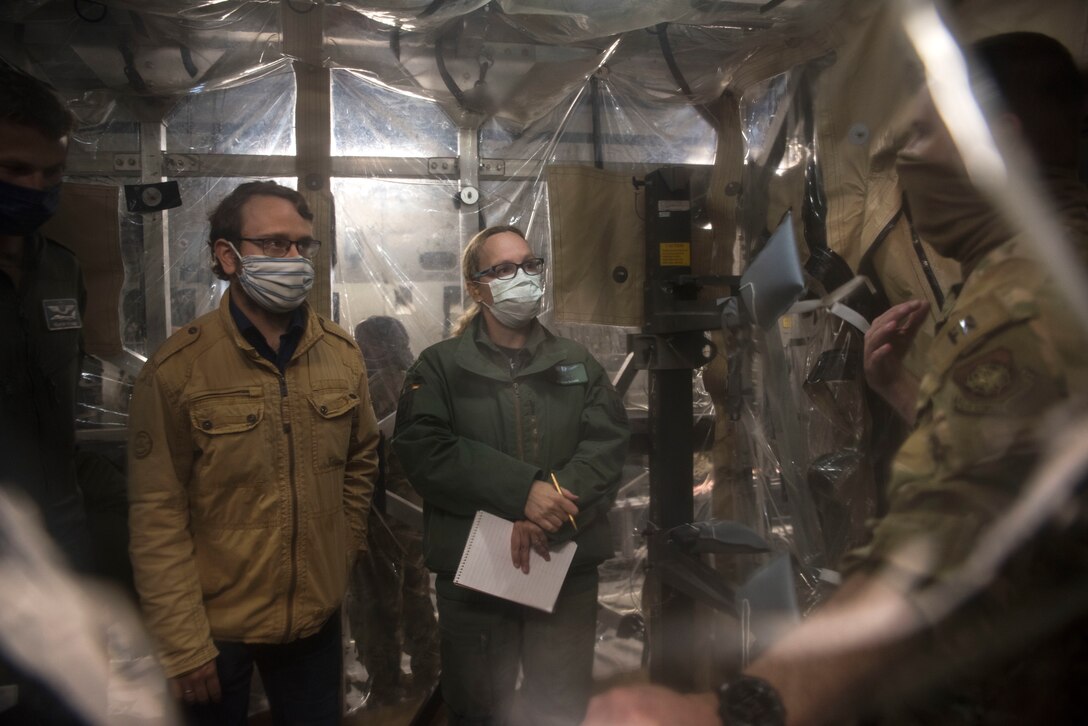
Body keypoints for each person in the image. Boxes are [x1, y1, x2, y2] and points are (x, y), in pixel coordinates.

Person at [584, 32, 1088, 725]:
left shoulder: (1031, 296)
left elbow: (942, 545)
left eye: (920, 133)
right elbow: (1035, 466)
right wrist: (908, 398)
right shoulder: (1044, 271)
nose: (892, 155)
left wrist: (740, 708)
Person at [127, 180, 379, 725]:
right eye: (272, 245)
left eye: (302, 245)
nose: (293, 259)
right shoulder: (179, 368)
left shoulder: (339, 354)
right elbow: (156, 515)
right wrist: (183, 643)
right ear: (227, 255)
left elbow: (361, 460)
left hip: (314, 622)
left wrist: (342, 550)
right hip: (217, 630)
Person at [393, 225, 630, 725]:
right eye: (502, 269)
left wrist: (551, 506)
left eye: (528, 264)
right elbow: (424, 449)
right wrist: (523, 493)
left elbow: (606, 445)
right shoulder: (439, 368)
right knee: (478, 706)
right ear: (477, 287)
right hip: (477, 573)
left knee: (560, 706)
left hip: (563, 562)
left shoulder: (576, 363)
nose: (520, 277)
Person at [349, 315, 440, 707]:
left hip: (382, 512)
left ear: (375, 347)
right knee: (417, 593)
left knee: (379, 601)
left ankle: (386, 684)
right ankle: (428, 671)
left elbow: (359, 454)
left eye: (363, 344)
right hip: (417, 510)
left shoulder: (373, 389)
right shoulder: (421, 383)